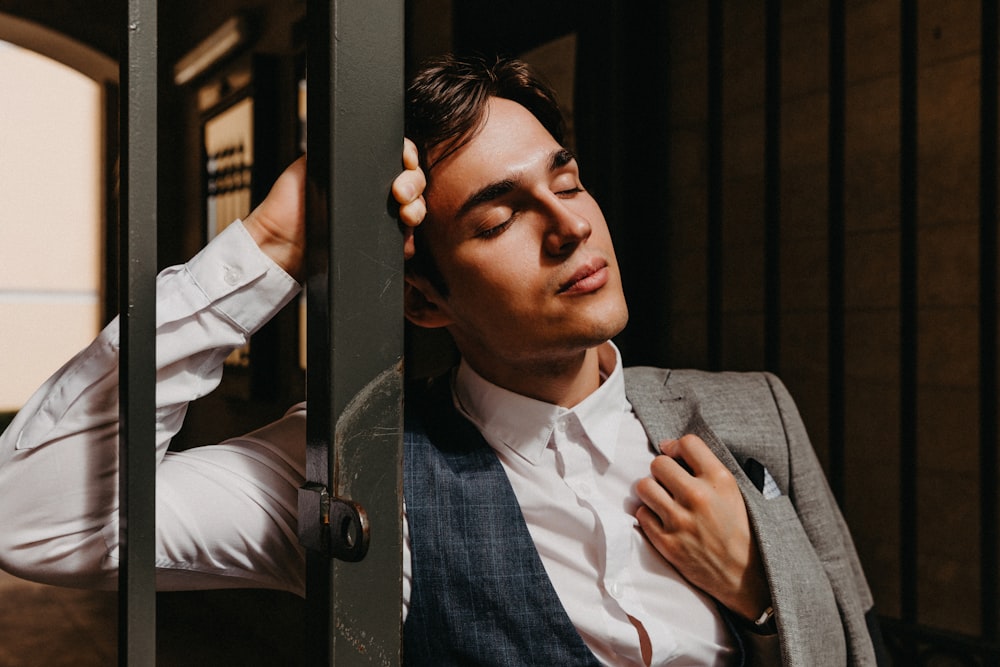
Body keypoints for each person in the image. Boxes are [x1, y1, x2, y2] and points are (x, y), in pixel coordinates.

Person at [0, 54, 882, 666]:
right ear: (424, 301)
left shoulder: (749, 411)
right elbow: (34, 520)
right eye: (500, 219)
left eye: (567, 181)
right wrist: (272, 243)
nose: (571, 224)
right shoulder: (356, 464)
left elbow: (855, 642)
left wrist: (763, 594)